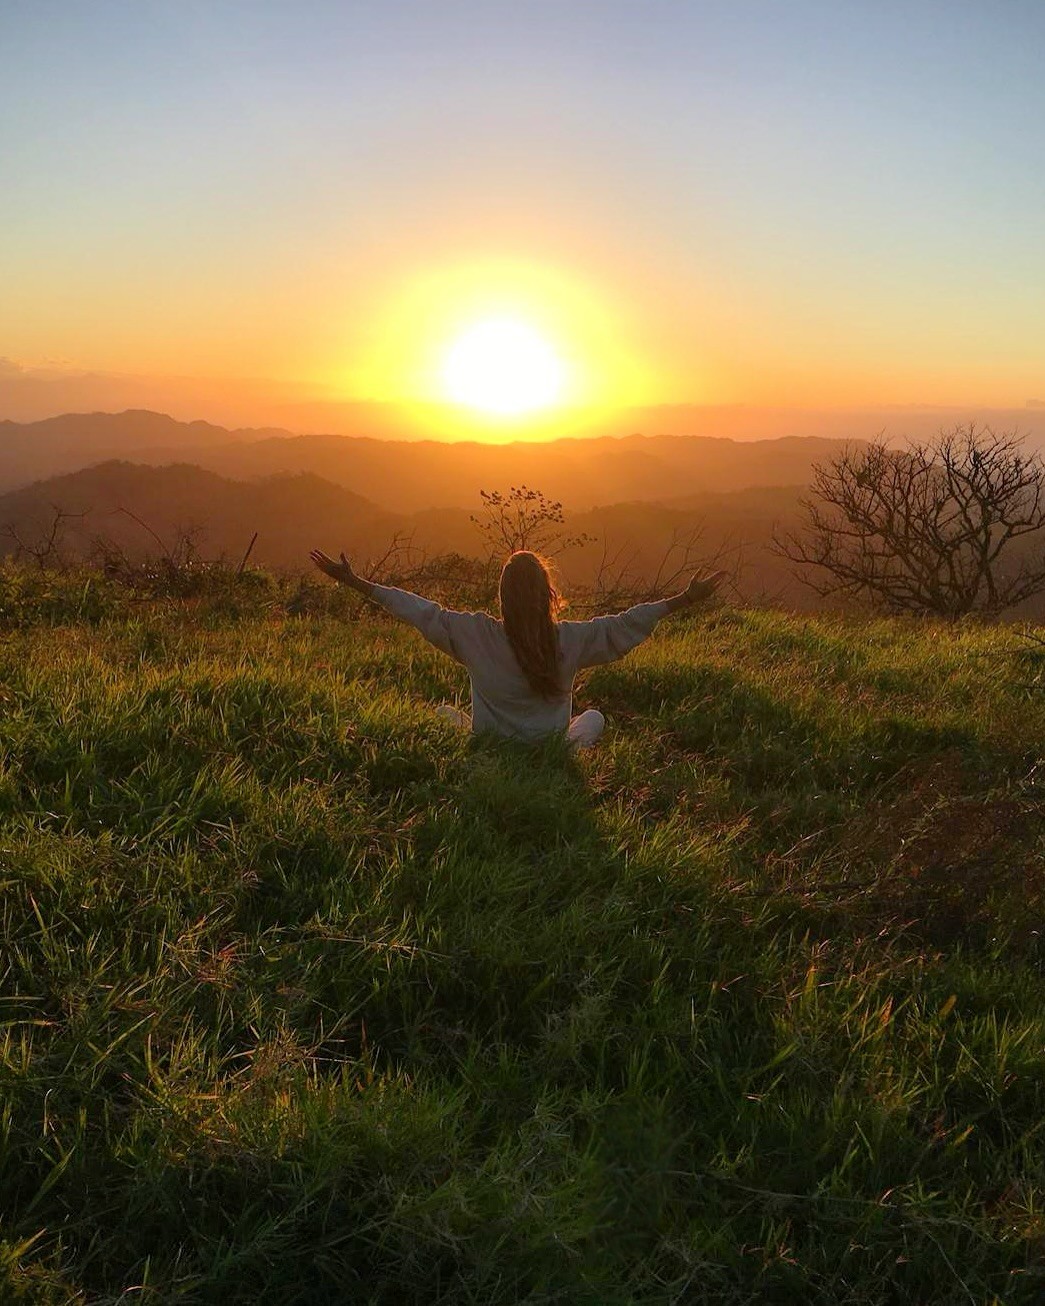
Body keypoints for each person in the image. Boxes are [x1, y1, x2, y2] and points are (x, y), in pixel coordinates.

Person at [309, 548, 726, 748]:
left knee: (442, 713)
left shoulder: (474, 634)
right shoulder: (569, 640)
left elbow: (420, 612)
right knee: (593, 717)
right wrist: (684, 600)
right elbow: (622, 627)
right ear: (547, 594)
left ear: (503, 595)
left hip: (489, 744)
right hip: (550, 749)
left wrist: (354, 581)